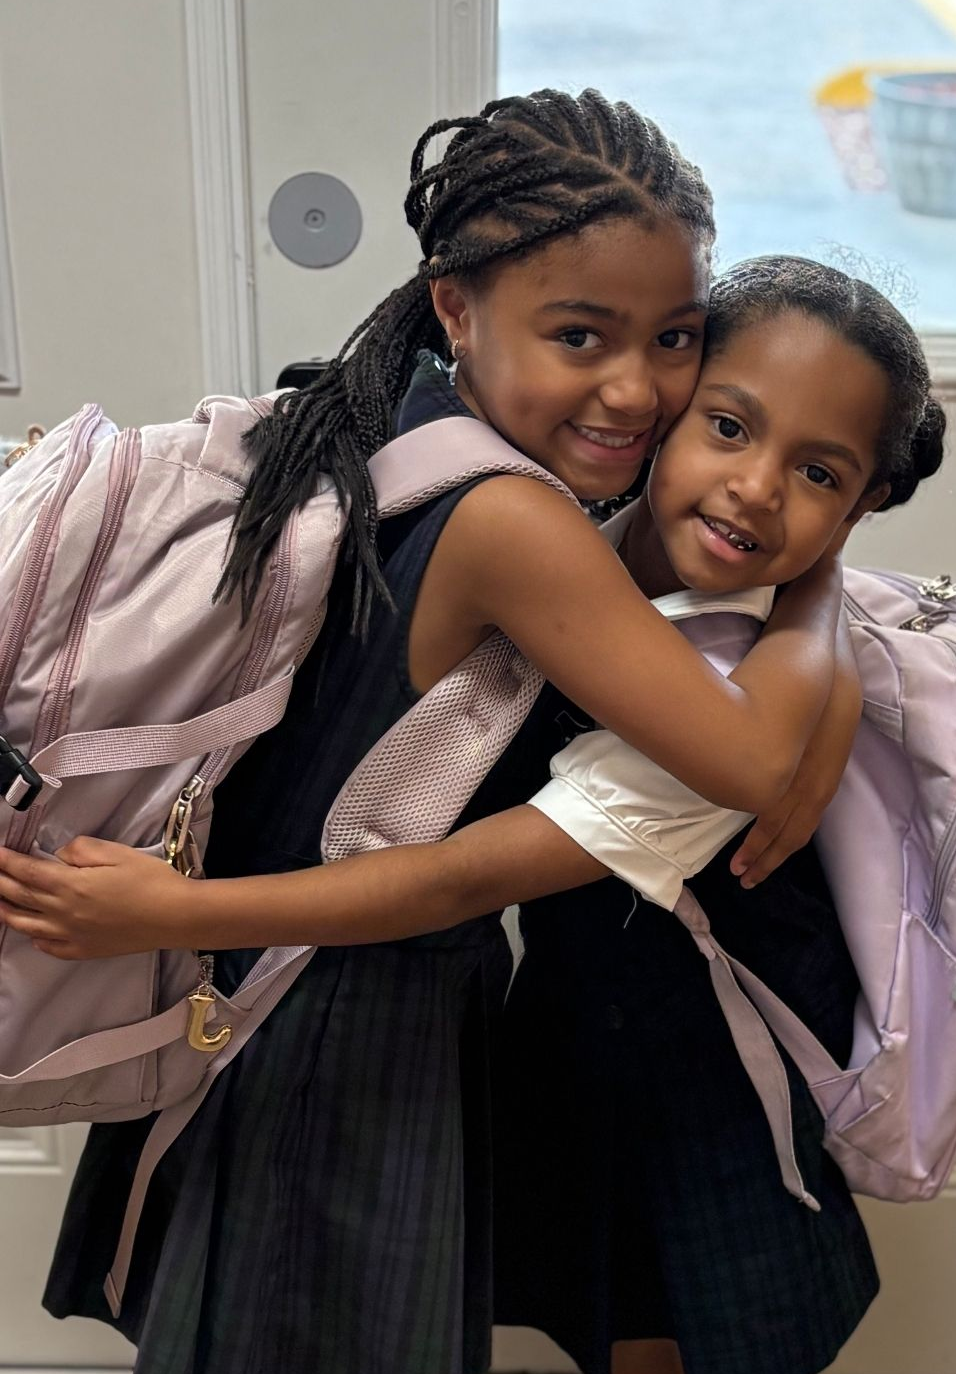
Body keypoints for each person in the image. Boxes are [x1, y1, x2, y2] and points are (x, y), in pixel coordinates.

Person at [0, 92, 854, 1374]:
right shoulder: (516, 522)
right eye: (580, 335)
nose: (637, 388)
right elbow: (744, 756)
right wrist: (820, 589)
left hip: (250, 1000)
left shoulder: (389, 418)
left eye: (675, 338)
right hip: (349, 1037)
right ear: (457, 306)